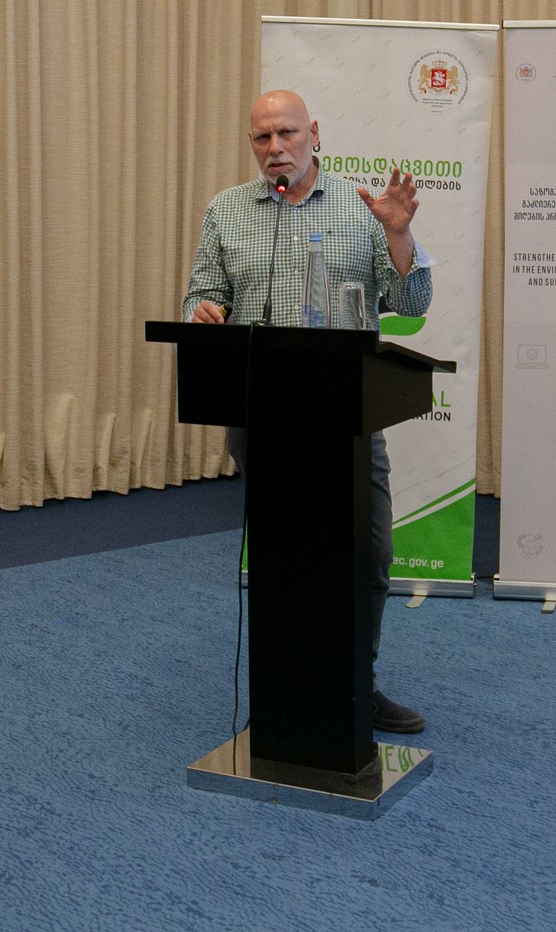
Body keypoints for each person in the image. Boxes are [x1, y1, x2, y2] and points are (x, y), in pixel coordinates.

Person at [181, 89, 434, 734]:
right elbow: (201, 296)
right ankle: (285, 693)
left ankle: (356, 682)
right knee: (284, 558)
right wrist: (202, 314)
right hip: (262, 414)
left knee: (368, 554)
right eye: (262, 138)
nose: (276, 148)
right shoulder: (226, 210)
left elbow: (411, 301)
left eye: (287, 134)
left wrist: (398, 234)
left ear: (314, 133)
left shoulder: (359, 207)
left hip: (347, 415)